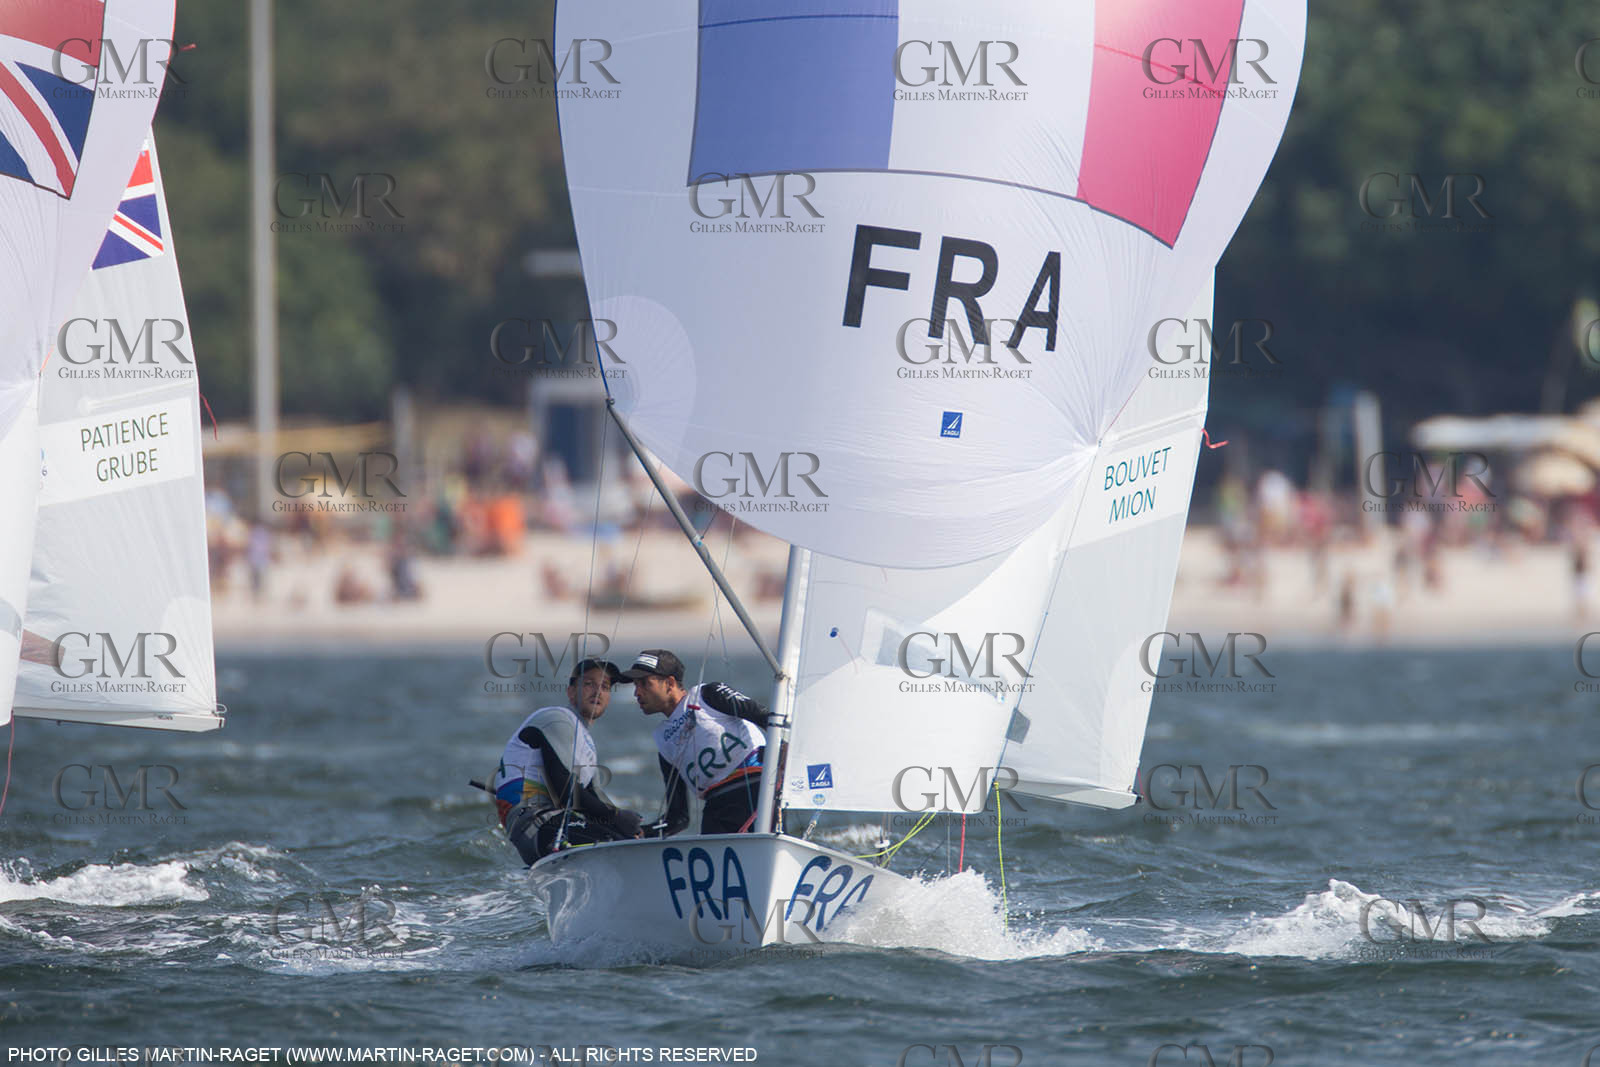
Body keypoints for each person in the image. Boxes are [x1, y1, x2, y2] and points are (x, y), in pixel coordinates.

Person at [492, 658, 643, 865]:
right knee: (621, 846)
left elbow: (595, 802)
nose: (597, 692)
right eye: (589, 684)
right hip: (535, 824)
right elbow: (565, 791)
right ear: (571, 692)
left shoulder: (586, 744)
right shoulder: (557, 719)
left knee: (630, 841)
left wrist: (636, 829)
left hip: (553, 824)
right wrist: (617, 817)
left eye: (605, 687)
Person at [619, 649, 769, 836]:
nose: (636, 693)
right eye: (635, 685)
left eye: (644, 684)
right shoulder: (663, 741)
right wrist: (640, 833)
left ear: (670, 683)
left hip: (755, 788)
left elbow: (766, 717)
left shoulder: (708, 695)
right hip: (715, 810)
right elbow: (678, 819)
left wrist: (785, 751)